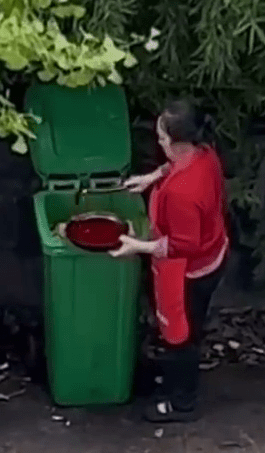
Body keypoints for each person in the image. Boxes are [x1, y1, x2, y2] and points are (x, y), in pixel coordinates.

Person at [109, 99, 229, 423]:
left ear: (177, 142)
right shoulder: (205, 154)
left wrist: (138, 246)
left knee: (182, 335)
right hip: (212, 252)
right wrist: (152, 178)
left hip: (191, 270)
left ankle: (181, 401)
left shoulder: (183, 194)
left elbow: (182, 245)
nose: (159, 142)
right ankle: (173, 377)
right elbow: (174, 166)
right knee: (183, 330)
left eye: (162, 138)